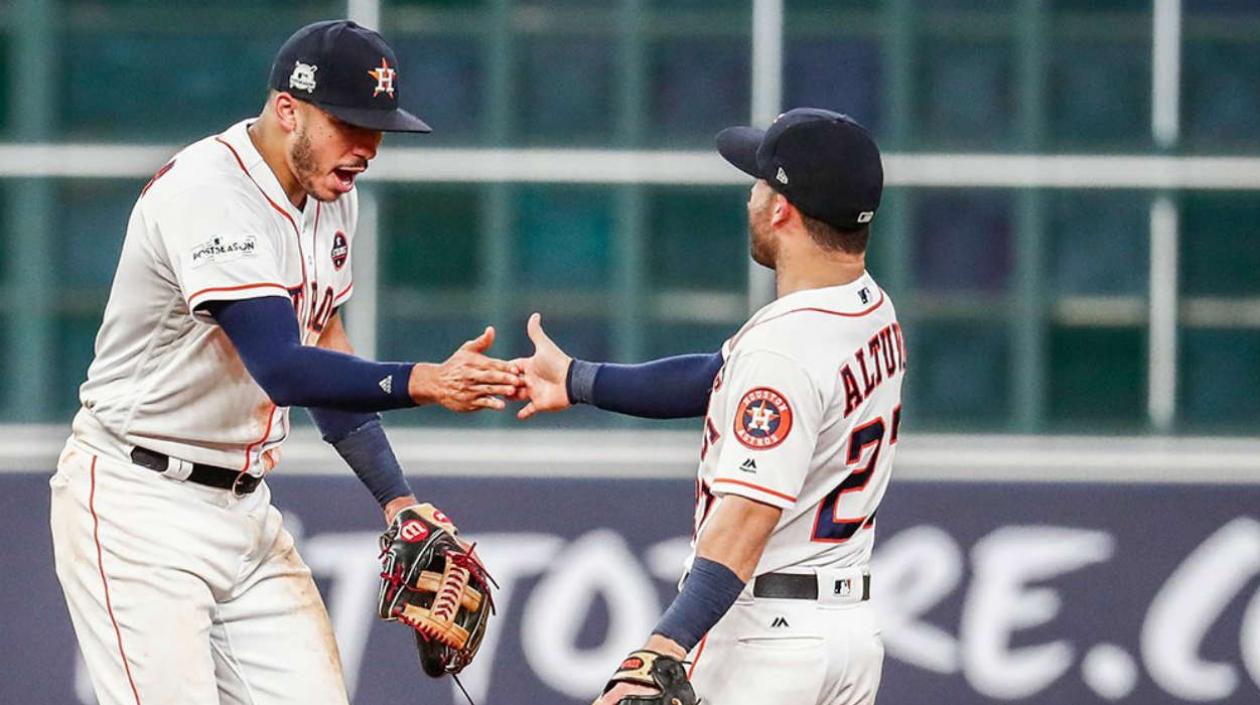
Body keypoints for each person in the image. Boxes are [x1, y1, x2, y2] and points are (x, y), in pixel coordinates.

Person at [50, 20, 521, 705]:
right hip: (139, 503)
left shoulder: (332, 197)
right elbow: (282, 366)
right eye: (349, 124)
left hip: (245, 510)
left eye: (378, 129)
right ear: (288, 109)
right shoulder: (210, 192)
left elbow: (323, 346)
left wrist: (396, 498)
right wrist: (425, 380)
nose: (367, 148)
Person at [515, 108, 905, 705]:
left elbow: (745, 520)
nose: (751, 196)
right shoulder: (872, 309)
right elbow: (717, 377)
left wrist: (661, 649)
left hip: (765, 643)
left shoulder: (783, 349)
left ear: (782, 210)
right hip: (848, 630)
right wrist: (578, 379)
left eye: (759, 183)